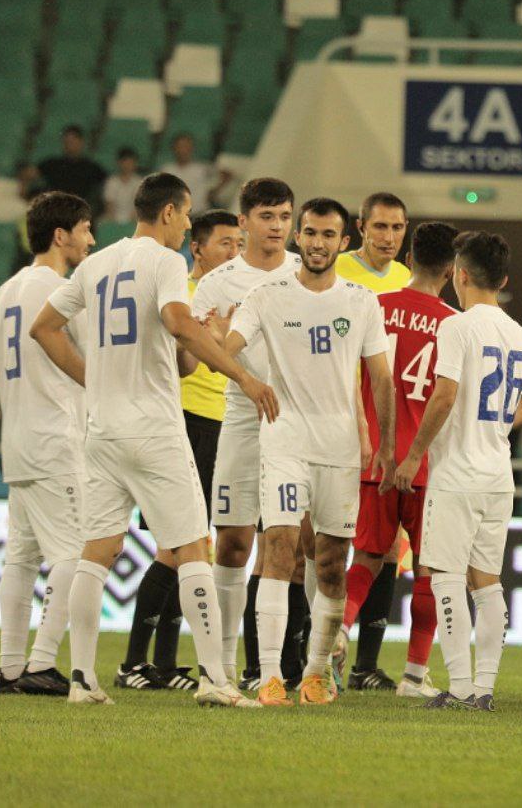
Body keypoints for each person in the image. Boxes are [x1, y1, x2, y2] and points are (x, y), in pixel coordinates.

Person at [29, 171, 276, 707]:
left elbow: (43, 327)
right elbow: (177, 322)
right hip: (154, 429)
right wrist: (242, 375)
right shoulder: (165, 262)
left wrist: (95, 378)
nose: (187, 224)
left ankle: (82, 680)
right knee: (192, 548)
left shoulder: (96, 264)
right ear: (168, 212)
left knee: (98, 552)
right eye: (185, 214)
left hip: (102, 430)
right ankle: (215, 679)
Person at [226, 196, 395, 707]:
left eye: (328, 235)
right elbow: (227, 347)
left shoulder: (362, 301)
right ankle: (270, 675)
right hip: (285, 441)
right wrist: (243, 376)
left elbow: (380, 378)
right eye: (311, 233)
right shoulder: (266, 295)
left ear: (344, 242)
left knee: (332, 565)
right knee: (279, 550)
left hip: (340, 451)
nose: (318, 244)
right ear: (298, 237)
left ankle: (317, 673)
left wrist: (386, 445)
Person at [391, 230, 522, 711]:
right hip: (498, 474)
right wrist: (492, 423)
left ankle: (458, 686)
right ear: (502, 280)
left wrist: (414, 454)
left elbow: (445, 394)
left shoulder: (457, 327)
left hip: (456, 473)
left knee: (445, 575)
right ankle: (484, 688)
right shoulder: (520, 334)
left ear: (459, 275)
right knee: (487, 580)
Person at [0, 191, 94, 696]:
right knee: (77, 554)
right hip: (58, 439)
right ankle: (40, 662)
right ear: (60, 235)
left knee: (21, 559)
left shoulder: (4, 292)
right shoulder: (65, 291)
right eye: (85, 229)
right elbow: (95, 357)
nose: (91, 239)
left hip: (16, 445)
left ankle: (11, 667)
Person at [116, 209, 241, 691]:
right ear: (198, 248)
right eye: (225, 243)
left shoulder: (238, 299)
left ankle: (165, 665)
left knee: (192, 549)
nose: (234, 252)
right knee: (175, 549)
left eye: (238, 243)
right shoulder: (179, 294)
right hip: (186, 423)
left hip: (224, 427)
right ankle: (133, 662)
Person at [188, 179, 302, 689]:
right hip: (239, 416)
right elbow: (200, 356)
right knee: (233, 543)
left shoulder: (305, 273)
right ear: (244, 222)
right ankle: (223, 666)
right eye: (266, 216)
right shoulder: (217, 283)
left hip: (296, 422)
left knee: (289, 546)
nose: (277, 227)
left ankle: (285, 666)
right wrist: (216, 342)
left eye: (284, 217)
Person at [337, 221, 459, 700]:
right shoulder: (453, 323)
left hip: (376, 459)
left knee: (368, 557)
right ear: (451, 270)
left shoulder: (375, 306)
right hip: (426, 465)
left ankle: (339, 632)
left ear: (409, 257)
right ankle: (413, 675)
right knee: (429, 568)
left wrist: (367, 437)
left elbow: (347, 378)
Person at [329, 191, 414, 691]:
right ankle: (308, 649)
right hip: (336, 424)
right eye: (380, 226)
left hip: (385, 429)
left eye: (397, 228)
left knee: (386, 547)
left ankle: (364, 664)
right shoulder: (335, 272)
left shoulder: (406, 280)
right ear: (361, 227)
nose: (389, 237)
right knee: (325, 543)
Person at [37, 125, 107, 217]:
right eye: (67, 142)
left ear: (81, 142)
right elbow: (31, 174)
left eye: (73, 141)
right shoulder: (52, 164)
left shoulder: (92, 168)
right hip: (55, 213)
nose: (69, 145)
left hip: (81, 214)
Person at [159, 133, 227, 216]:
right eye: (180, 146)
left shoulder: (202, 168)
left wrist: (214, 192)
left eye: (186, 146)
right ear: (174, 148)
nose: (183, 149)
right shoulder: (167, 169)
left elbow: (226, 175)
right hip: (176, 216)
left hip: (199, 214)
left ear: (191, 148)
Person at [103, 148, 143, 223]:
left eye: (130, 162)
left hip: (133, 217)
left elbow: (139, 205)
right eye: (125, 162)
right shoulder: (111, 181)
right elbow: (109, 205)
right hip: (114, 216)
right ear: (119, 163)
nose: (127, 165)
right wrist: (113, 220)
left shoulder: (139, 182)